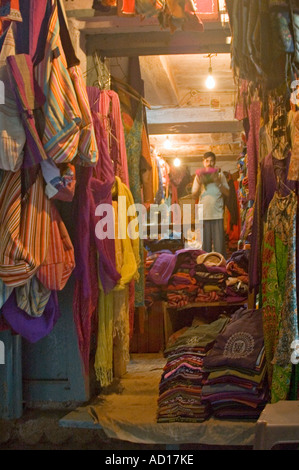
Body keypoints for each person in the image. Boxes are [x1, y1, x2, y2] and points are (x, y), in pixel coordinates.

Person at [191, 151, 229, 257]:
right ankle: (206, 268)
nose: (209, 163)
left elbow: (227, 192)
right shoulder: (198, 177)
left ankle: (221, 268)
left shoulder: (220, 175)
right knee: (205, 247)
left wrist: (217, 181)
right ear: (203, 162)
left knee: (219, 248)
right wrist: (199, 183)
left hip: (217, 214)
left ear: (215, 162)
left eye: (212, 161)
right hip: (204, 215)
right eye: (207, 161)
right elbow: (194, 195)